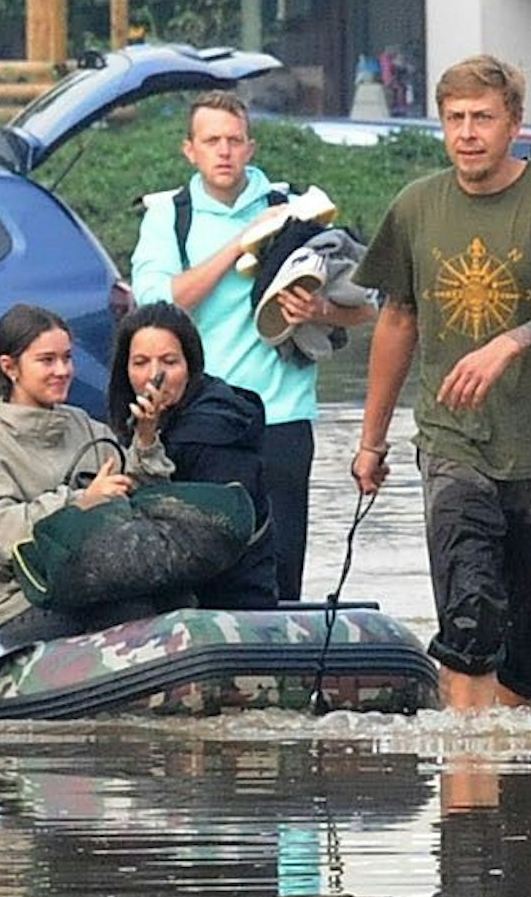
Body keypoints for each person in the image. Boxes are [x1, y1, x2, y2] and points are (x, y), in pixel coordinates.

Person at [350, 55, 531, 714]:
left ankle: (514, 796)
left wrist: (508, 344)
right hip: (452, 440)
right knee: (469, 617)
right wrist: (370, 442)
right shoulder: (416, 206)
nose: (466, 132)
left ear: (513, 124)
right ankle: (466, 802)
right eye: (454, 118)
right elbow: (397, 318)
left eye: (481, 118)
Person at [131, 91, 375, 603]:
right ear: (189, 151)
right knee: (200, 566)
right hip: (199, 417)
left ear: (251, 147)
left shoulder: (295, 208)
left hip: (281, 415)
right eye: (211, 141)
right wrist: (242, 243)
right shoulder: (169, 217)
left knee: (282, 572)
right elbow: (159, 306)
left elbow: (371, 306)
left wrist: (319, 313)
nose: (224, 152)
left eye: (234, 141)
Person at [0, 303, 173, 642]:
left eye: (67, 358)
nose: (62, 370)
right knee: (98, 623)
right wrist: (80, 502)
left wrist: (145, 437)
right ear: (10, 367)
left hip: (90, 584)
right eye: (47, 360)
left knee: (153, 609)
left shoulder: (84, 426)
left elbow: (139, 494)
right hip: (15, 602)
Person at [108, 301, 280, 609]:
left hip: (226, 598)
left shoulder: (215, 429)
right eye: (141, 362)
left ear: (190, 365)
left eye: (169, 362)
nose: (154, 376)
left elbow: (206, 536)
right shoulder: (131, 422)